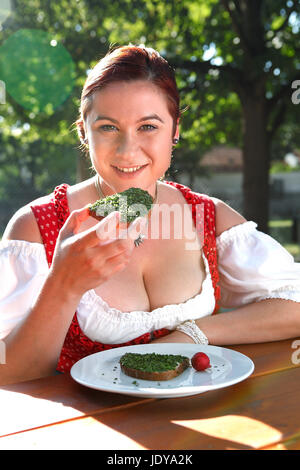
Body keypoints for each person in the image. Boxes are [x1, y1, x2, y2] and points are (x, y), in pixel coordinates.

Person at [0, 44, 300, 386]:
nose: (129, 151)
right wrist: (63, 286)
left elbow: (294, 304)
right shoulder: (37, 228)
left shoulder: (209, 216)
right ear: (84, 131)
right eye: (108, 127)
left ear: (174, 130)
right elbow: (8, 373)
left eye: (148, 127)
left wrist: (191, 335)